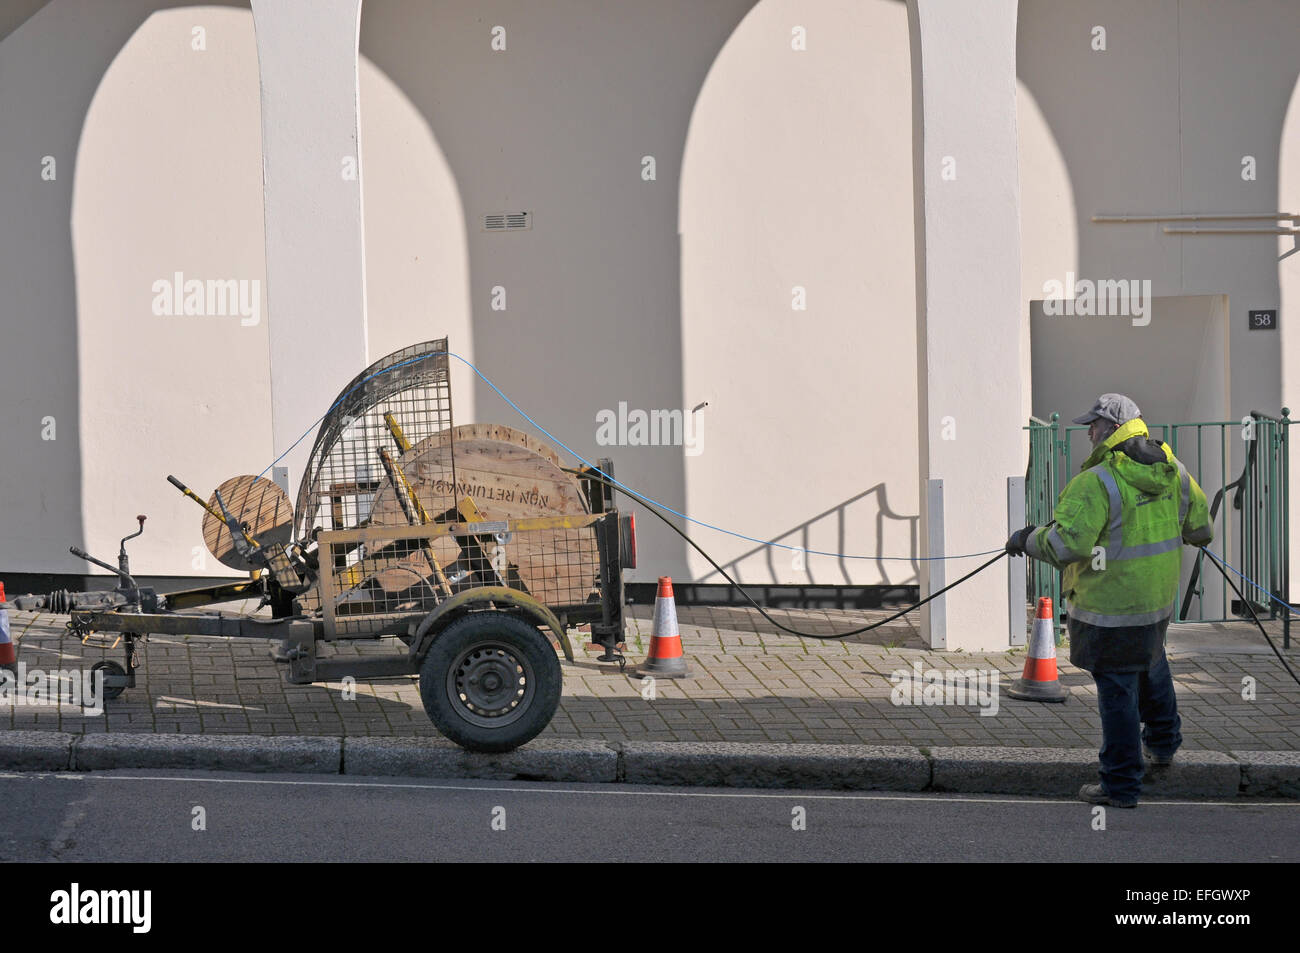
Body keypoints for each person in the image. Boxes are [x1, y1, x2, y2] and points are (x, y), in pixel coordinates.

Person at [1006, 394, 1213, 807]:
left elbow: (1066, 546)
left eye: (1095, 424)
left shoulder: (1096, 482)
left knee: (1118, 692)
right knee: (1151, 665)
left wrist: (1026, 539)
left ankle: (1120, 784)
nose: (1089, 432)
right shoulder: (1174, 470)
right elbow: (1201, 530)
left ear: (1115, 429)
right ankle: (1164, 744)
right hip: (1156, 604)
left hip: (1108, 610)